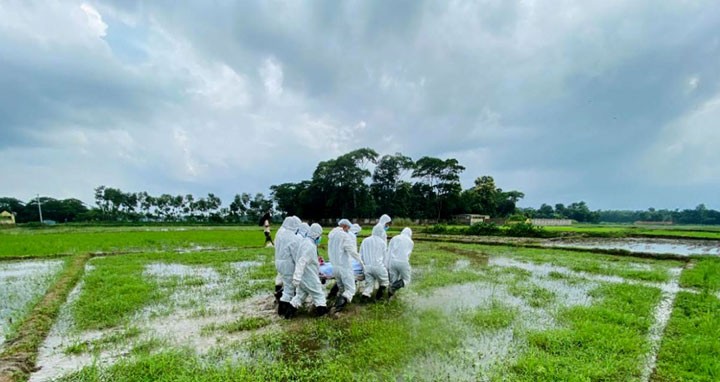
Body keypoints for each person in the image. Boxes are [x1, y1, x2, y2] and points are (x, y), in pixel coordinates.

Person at [286, 223, 328, 318]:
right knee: (319, 295)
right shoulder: (309, 245)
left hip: (304, 277)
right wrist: (296, 277)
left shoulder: (305, 242)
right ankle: (323, 316)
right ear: (316, 234)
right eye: (320, 235)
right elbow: (302, 261)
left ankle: (288, 316)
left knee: (299, 297)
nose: (320, 237)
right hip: (309, 277)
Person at [328, 219, 364, 311]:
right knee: (350, 290)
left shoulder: (332, 236)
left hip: (335, 267)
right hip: (344, 267)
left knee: (341, 289)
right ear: (344, 226)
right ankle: (336, 309)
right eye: (348, 228)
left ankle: (334, 305)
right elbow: (352, 251)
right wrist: (361, 263)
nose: (348, 230)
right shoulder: (344, 236)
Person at [274, 216, 302, 316]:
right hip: (287, 265)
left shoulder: (280, 234)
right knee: (289, 289)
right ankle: (283, 313)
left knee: (287, 285)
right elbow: (296, 255)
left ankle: (281, 306)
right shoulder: (293, 238)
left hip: (278, 262)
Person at [359, 224, 390, 302]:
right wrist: (385, 268)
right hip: (378, 266)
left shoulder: (365, 240)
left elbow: (360, 254)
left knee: (369, 285)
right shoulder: (382, 242)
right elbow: (385, 257)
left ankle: (364, 298)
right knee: (385, 282)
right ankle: (378, 298)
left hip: (367, 267)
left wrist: (363, 265)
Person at [386, 227, 413, 297]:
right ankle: (394, 287)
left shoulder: (394, 238)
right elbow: (408, 255)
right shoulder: (410, 242)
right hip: (403, 262)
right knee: (406, 280)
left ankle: (390, 299)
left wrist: (387, 265)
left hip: (392, 262)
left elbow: (389, 251)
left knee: (392, 281)